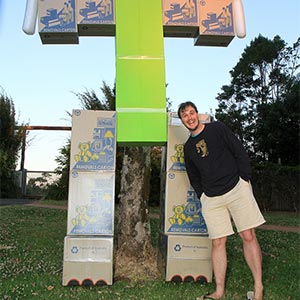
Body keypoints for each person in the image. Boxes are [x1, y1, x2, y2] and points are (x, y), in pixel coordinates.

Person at [177, 101, 265, 300]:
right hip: (212, 198)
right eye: (185, 115)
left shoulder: (217, 128)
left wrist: (244, 178)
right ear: (182, 120)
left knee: (248, 235)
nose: (189, 117)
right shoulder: (188, 148)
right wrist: (203, 195)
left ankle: (258, 288)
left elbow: (238, 150)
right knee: (218, 242)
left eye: (192, 113)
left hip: (236, 188)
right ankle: (219, 292)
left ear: (197, 114)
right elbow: (193, 176)